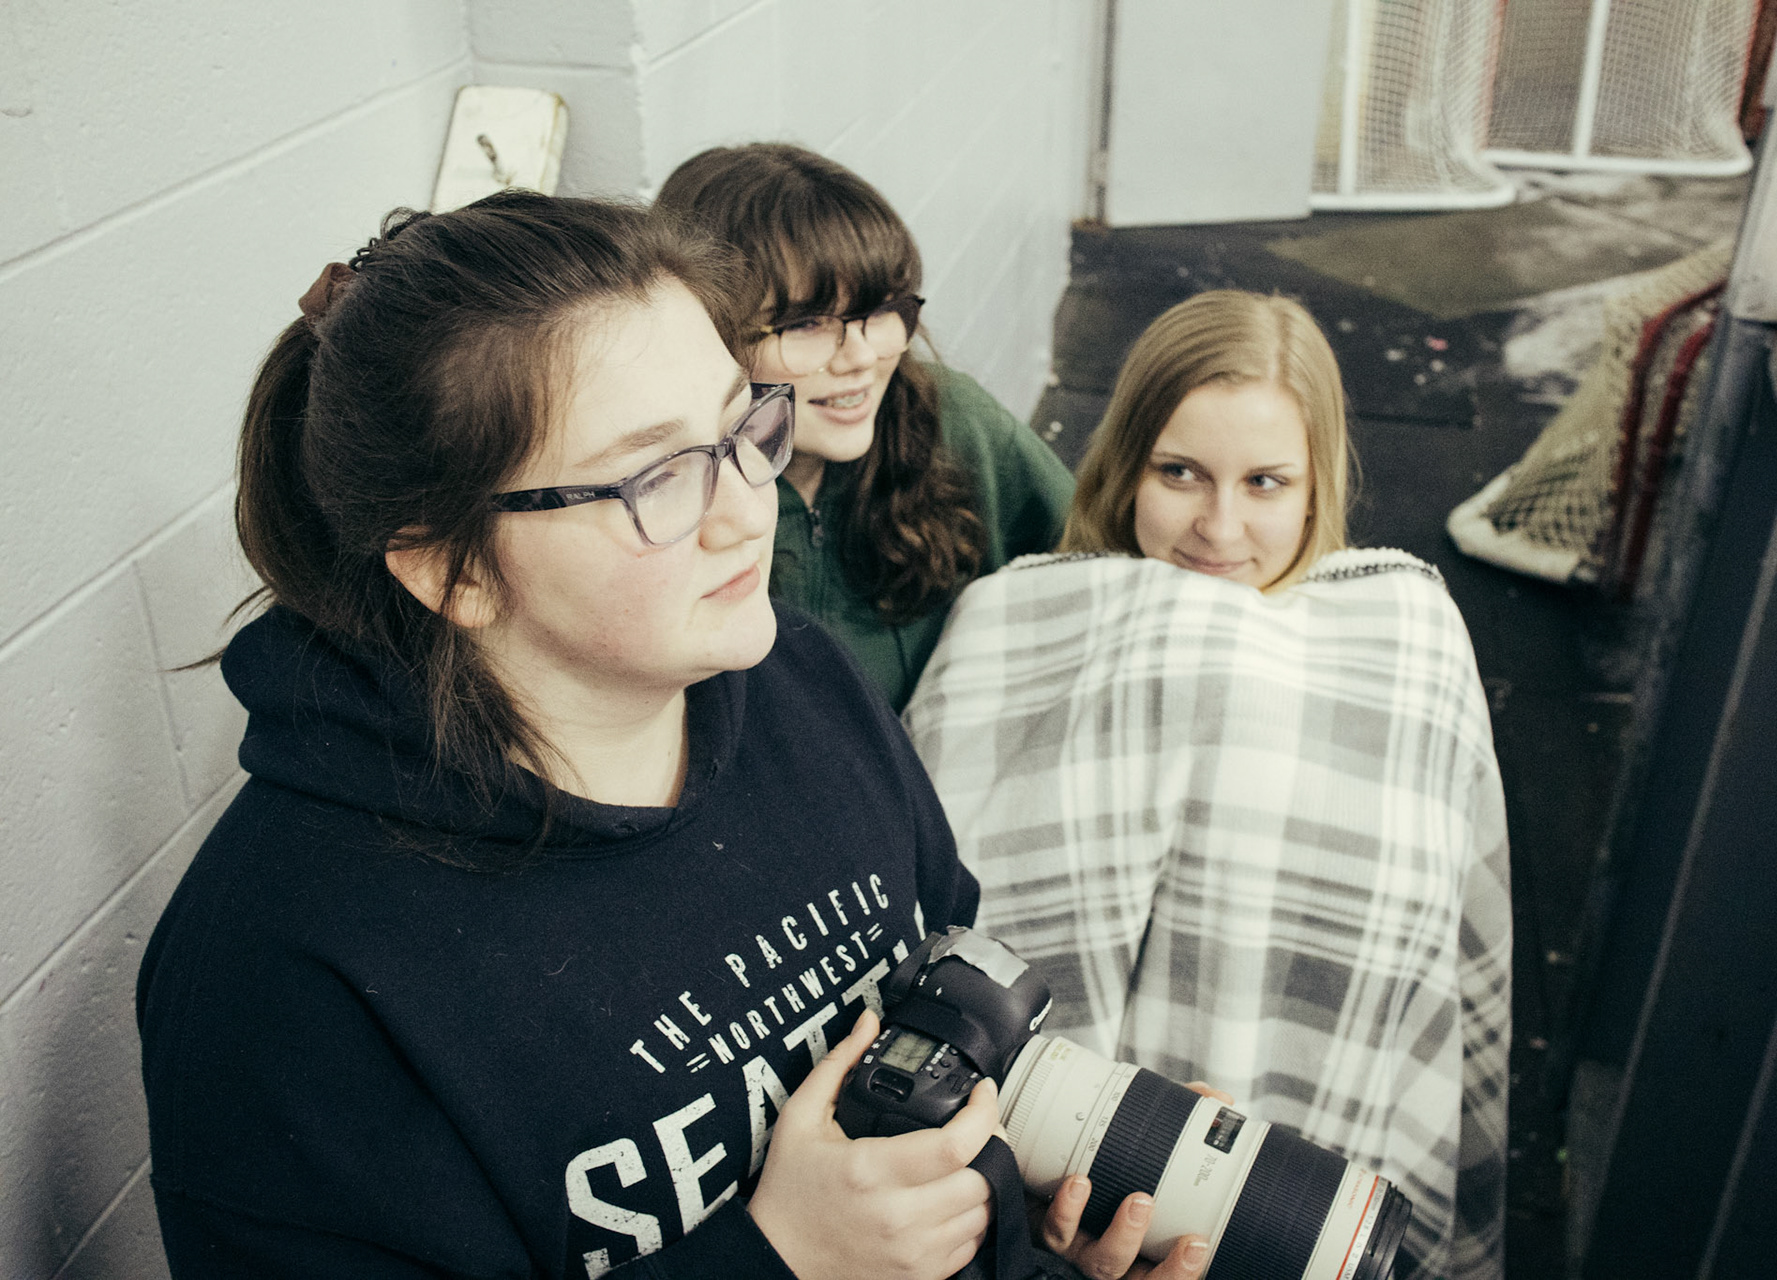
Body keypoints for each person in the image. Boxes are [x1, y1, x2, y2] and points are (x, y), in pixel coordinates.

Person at [135, 193, 1203, 1280]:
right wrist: (783, 1257)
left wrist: (1039, 1209)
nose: (748, 507)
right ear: (452, 567)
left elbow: (952, 999)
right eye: (658, 476)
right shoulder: (280, 975)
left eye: (742, 429)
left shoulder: (798, 681)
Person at [904, 291, 1513, 1280]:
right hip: (1058, 1174)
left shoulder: (1406, 637)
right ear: (1125, 465)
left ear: (1316, 486)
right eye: (1179, 472)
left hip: (1310, 1163)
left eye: (1266, 481)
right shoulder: (1009, 622)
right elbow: (943, 904)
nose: (1219, 527)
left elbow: (1422, 948)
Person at [653, 143, 1075, 711]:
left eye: (880, 313)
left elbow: (1092, 556)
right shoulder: (662, 502)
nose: (861, 356)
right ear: (707, 331)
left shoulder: (952, 418)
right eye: (805, 324)